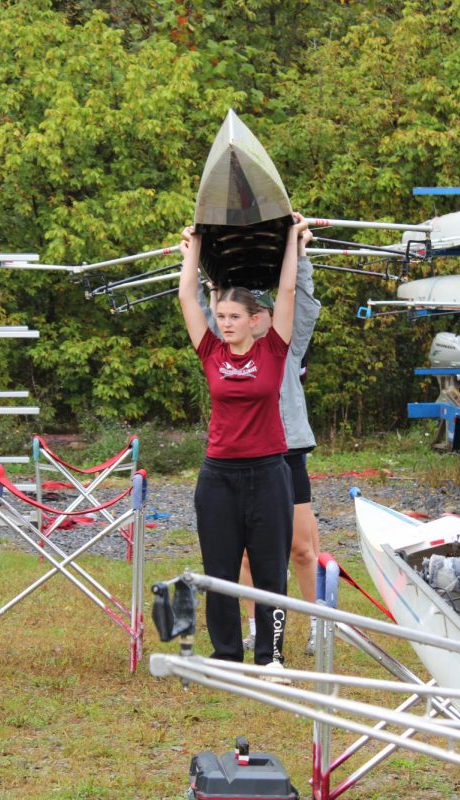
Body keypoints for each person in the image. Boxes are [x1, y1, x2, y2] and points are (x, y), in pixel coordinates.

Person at [178, 213, 309, 670]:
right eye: (221, 316)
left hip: (269, 473)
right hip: (218, 477)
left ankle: (270, 655)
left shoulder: (274, 349)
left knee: (271, 571)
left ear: (256, 320)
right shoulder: (211, 351)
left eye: (234, 317)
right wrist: (194, 245)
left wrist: (292, 239)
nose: (226, 323)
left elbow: (288, 291)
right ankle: (226, 654)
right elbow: (185, 297)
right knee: (220, 570)